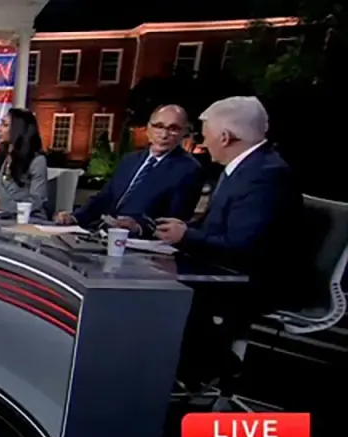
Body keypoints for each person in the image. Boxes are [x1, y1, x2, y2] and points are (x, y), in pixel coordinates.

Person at [155, 96, 302, 387]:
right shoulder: (246, 168)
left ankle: (208, 367)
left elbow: (243, 247)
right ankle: (185, 370)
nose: (202, 143)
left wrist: (186, 237)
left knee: (162, 290)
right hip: (231, 267)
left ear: (225, 137)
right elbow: (219, 228)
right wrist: (182, 230)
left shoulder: (265, 175)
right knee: (157, 277)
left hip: (256, 280)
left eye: (205, 135)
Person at [54, 104, 202, 236]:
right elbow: (104, 197)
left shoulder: (188, 169)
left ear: (184, 132)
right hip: (102, 232)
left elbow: (176, 220)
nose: (164, 135)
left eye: (173, 129)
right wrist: (75, 217)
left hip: (142, 243)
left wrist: (139, 227)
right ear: (148, 128)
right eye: (159, 126)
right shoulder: (130, 160)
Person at [0, 109, 48, 219]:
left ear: (18, 130)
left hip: (29, 220)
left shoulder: (37, 161)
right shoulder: (0, 158)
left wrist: (2, 206)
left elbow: (37, 201)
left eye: (5, 125)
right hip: (1, 218)